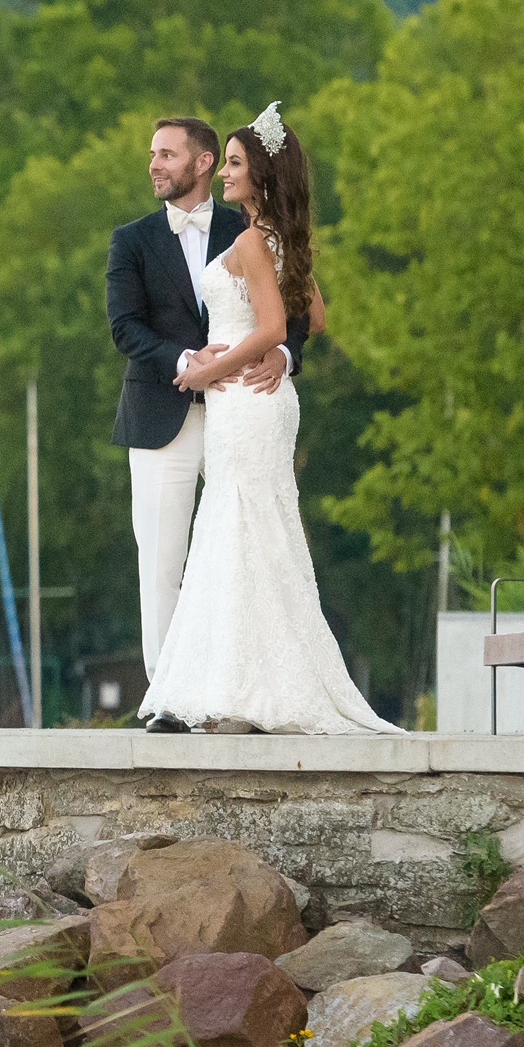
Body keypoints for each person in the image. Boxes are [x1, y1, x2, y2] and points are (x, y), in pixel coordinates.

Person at [134, 104, 396, 735]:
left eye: (235, 164)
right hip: (256, 405)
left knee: (236, 528)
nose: (225, 175)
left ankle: (230, 693)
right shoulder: (278, 239)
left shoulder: (252, 240)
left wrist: (213, 369)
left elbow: (283, 326)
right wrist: (270, 347)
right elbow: (318, 315)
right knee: (254, 533)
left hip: (246, 406)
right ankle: (244, 687)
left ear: (262, 177)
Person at [105, 115, 305, 691]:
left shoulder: (247, 227)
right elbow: (124, 328)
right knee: (163, 564)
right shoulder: (132, 240)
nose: (154, 165)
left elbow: (293, 313)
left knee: (231, 557)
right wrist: (184, 361)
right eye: (152, 154)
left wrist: (285, 356)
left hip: (239, 417)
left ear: (203, 162)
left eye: (167, 154)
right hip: (158, 418)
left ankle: (230, 688)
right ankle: (167, 695)